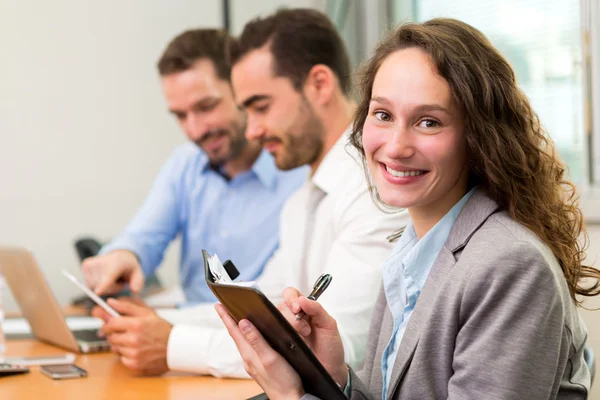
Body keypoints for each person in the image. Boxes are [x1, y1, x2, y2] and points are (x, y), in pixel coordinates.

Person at [217, 18, 600, 399]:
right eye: (382, 115)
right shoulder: (410, 250)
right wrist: (337, 380)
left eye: (429, 122)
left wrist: (291, 395)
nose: (396, 146)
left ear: (478, 136)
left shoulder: (509, 264)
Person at [91, 9, 408, 377]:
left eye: (261, 107)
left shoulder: (376, 185)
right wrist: (153, 323)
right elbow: (263, 308)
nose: (253, 130)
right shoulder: (304, 199)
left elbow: (333, 349)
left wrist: (172, 344)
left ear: (319, 84)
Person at [81, 29, 307, 373]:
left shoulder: (300, 174)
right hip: (184, 348)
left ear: (241, 90)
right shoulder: (185, 164)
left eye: (206, 106)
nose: (195, 129)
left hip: (254, 360)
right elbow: (144, 236)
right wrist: (123, 255)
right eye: (180, 115)